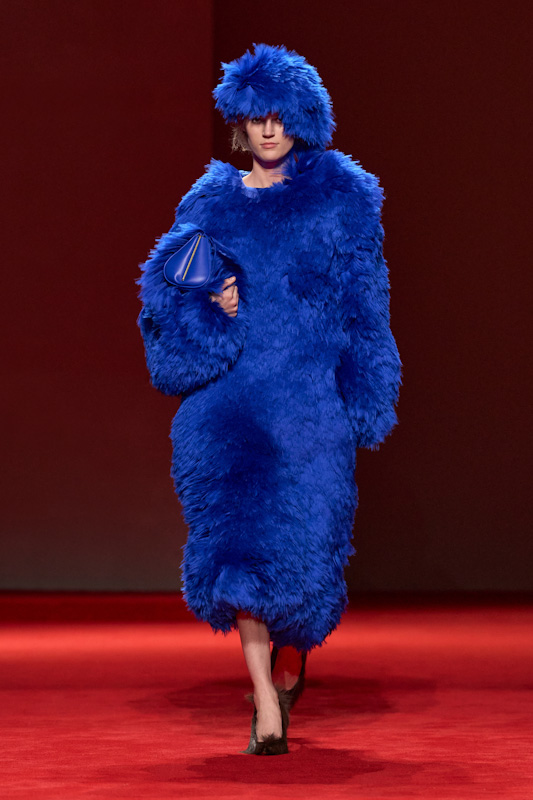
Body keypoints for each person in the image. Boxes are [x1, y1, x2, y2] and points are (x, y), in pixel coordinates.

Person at [136, 43, 402, 755]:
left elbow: (366, 303)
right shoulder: (209, 204)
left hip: (310, 407)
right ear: (240, 124)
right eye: (257, 118)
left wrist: (367, 389)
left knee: (308, 550)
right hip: (230, 406)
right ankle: (263, 703)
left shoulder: (344, 198)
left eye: (281, 116)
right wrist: (212, 310)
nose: (269, 129)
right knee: (241, 550)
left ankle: (290, 658)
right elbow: (163, 299)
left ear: (304, 118)